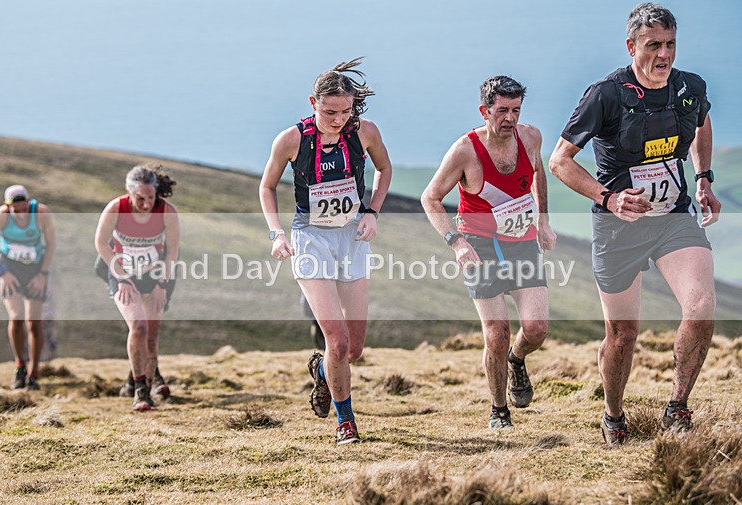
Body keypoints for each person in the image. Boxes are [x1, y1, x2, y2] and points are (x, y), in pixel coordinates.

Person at [548, 3, 720, 445]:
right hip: (618, 227)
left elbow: (702, 123)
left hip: (673, 217)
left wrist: (702, 179)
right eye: (653, 46)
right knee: (623, 334)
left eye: (670, 44)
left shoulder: (689, 86)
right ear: (631, 46)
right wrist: (608, 197)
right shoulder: (605, 94)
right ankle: (613, 414)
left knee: (700, 309)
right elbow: (559, 161)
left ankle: (678, 407)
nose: (664, 55)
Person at [259, 58, 392, 445]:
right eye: (329, 111)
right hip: (310, 237)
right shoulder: (291, 140)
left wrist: (372, 212)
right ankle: (345, 422)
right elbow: (266, 187)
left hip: (352, 236)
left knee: (354, 348)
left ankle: (322, 372)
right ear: (312, 102)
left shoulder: (364, 132)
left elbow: (385, 170)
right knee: (336, 341)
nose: (338, 119)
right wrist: (276, 234)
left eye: (345, 111)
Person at [422, 76, 556, 430]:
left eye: (515, 110)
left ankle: (516, 360)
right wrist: (456, 242)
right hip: (480, 246)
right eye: (501, 111)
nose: (509, 119)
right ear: (485, 111)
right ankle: (499, 410)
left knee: (537, 328)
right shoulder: (465, 150)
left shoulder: (531, 137)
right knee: (497, 332)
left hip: (523, 243)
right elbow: (430, 198)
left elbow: (539, 173)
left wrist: (543, 221)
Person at [95, 164, 179, 412]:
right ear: (129, 192)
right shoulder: (116, 209)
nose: (145, 204)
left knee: (151, 335)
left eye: (150, 198)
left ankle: (139, 379)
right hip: (122, 274)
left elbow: (172, 252)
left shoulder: (166, 212)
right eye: (140, 198)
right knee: (138, 327)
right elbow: (101, 244)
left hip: (157, 276)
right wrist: (122, 277)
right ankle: (142, 392)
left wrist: (161, 284)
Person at [0, 185, 56, 390]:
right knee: (16, 317)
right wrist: (2, 271)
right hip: (10, 268)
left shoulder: (41, 213)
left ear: (29, 203)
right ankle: (20, 365)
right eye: (16, 210)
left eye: (24, 208)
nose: (21, 213)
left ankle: (34, 373)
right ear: (8, 206)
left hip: (35, 269)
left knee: (34, 324)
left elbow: (51, 245)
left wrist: (42, 275)